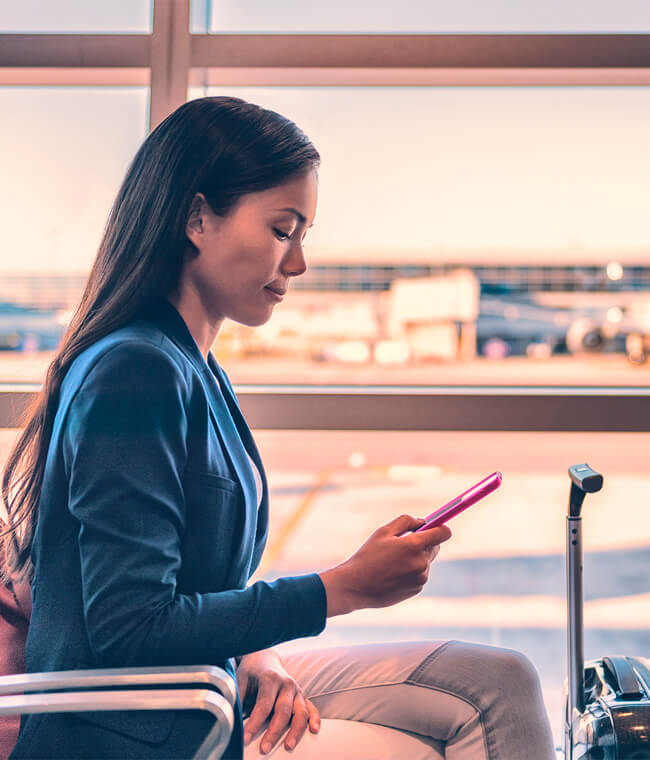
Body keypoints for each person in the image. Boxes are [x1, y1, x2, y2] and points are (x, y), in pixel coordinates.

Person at [0, 96, 556, 759]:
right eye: (282, 230)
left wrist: (261, 654)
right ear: (196, 218)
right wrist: (342, 588)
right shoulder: (134, 371)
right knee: (443, 734)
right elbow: (129, 626)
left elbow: (195, 588)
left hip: (204, 683)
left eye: (302, 235)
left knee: (497, 681)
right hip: (141, 730)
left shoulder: (193, 364)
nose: (297, 265)